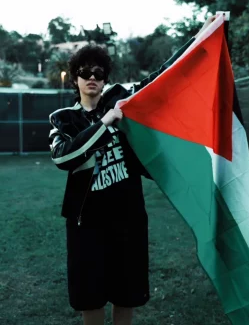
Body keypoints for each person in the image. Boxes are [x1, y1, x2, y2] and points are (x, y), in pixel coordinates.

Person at [48, 17, 215, 325]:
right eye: (85, 72)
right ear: (75, 78)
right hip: (86, 223)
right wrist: (104, 123)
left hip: (127, 217)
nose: (92, 77)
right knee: (90, 296)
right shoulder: (63, 119)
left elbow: (160, 79)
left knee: (127, 294)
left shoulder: (122, 99)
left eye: (98, 72)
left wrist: (201, 38)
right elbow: (64, 158)